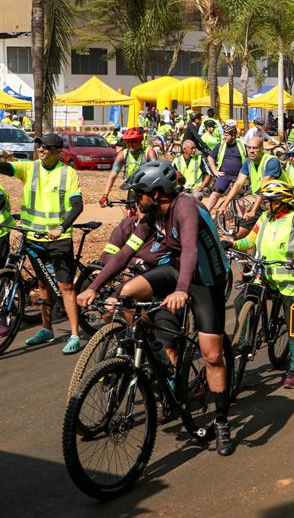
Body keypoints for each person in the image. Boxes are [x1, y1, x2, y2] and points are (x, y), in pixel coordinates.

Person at [78, 161, 235, 455]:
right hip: (178, 272)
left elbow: (189, 249)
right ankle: (155, 352)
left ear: (158, 192)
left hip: (206, 280)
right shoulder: (150, 217)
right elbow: (125, 254)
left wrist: (181, 290)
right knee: (128, 292)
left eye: (140, 193)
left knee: (212, 355)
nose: (136, 200)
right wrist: (92, 287)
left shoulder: (185, 206)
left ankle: (222, 421)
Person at [0, 134, 83, 352]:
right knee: (43, 284)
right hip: (34, 236)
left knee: (65, 286)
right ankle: (47, 329)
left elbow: (77, 206)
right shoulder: (30, 168)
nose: (41, 149)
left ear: (58, 152)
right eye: (39, 145)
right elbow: (6, 168)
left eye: (47, 147)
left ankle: (74, 334)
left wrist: (61, 228)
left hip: (58, 239)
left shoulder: (68, 173)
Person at [224, 180, 294, 388]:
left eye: (268, 201)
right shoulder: (264, 218)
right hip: (265, 276)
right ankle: (244, 341)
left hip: (291, 282)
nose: (264, 204)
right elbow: (250, 242)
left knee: (293, 325)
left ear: (280, 202)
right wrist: (233, 242)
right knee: (241, 300)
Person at [214, 136, 284, 239]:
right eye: (249, 148)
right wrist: (224, 204)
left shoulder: (271, 161)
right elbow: (238, 184)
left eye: (255, 148)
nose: (251, 151)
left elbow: (263, 188)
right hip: (263, 204)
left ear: (262, 149)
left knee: (272, 237)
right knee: (236, 235)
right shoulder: (248, 162)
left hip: (279, 204)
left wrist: (253, 211)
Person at [101, 127, 158, 208]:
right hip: (132, 189)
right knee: (130, 212)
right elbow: (112, 176)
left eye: (133, 142)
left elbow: (156, 172)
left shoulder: (148, 152)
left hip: (147, 189)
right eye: (128, 142)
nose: (130, 144)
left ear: (140, 141)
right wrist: (105, 196)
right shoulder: (123, 154)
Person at [205, 123, 246, 212]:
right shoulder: (221, 145)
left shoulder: (242, 145)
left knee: (239, 197)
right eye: (224, 135)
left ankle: (240, 219)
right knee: (215, 193)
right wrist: (215, 171)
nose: (224, 137)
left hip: (239, 176)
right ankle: (206, 212)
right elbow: (210, 157)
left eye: (226, 135)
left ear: (233, 136)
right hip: (224, 175)